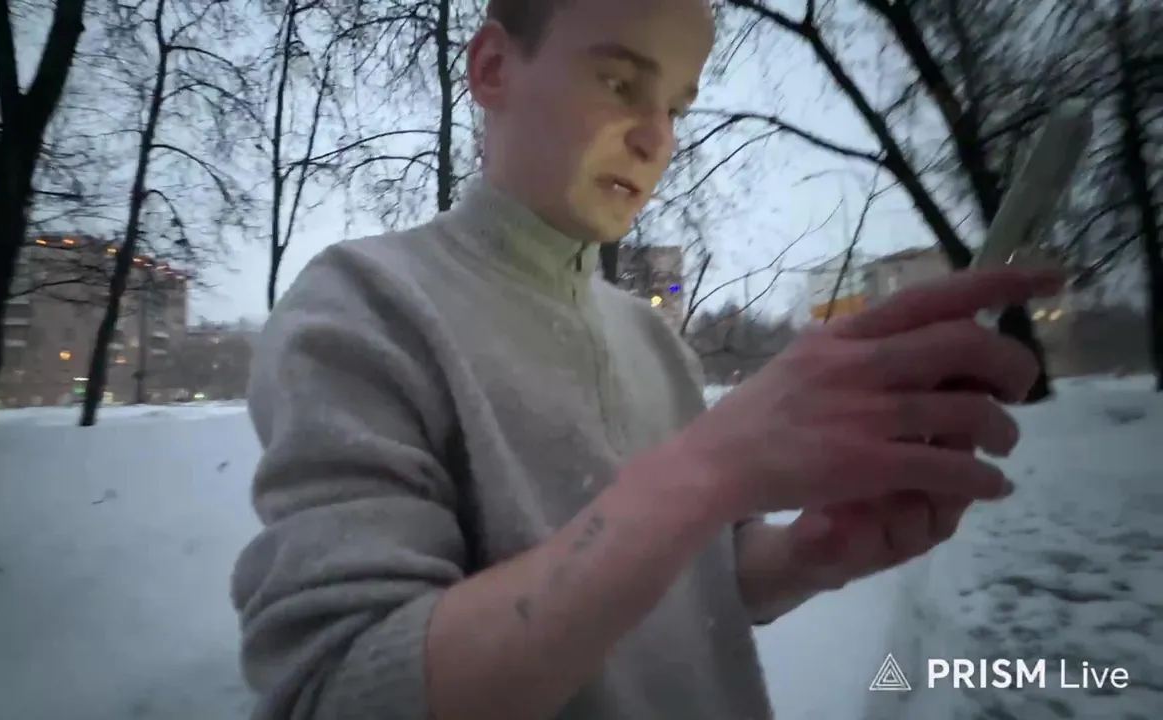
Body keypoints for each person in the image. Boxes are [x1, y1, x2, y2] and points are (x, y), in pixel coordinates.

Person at [230, 0, 1065, 718]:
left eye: (676, 106)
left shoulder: (652, 337)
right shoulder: (366, 302)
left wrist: (810, 556)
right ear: (492, 69)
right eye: (620, 83)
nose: (655, 137)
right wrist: (708, 470)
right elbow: (340, 689)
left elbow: (706, 578)